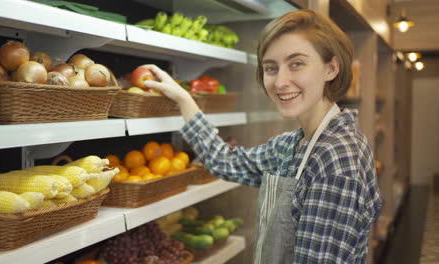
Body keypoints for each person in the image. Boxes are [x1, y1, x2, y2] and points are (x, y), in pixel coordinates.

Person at [143, 9, 382, 264]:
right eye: (271, 68)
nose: (280, 82)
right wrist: (184, 100)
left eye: (296, 64)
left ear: (331, 68)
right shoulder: (293, 145)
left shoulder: (336, 160)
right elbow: (227, 162)